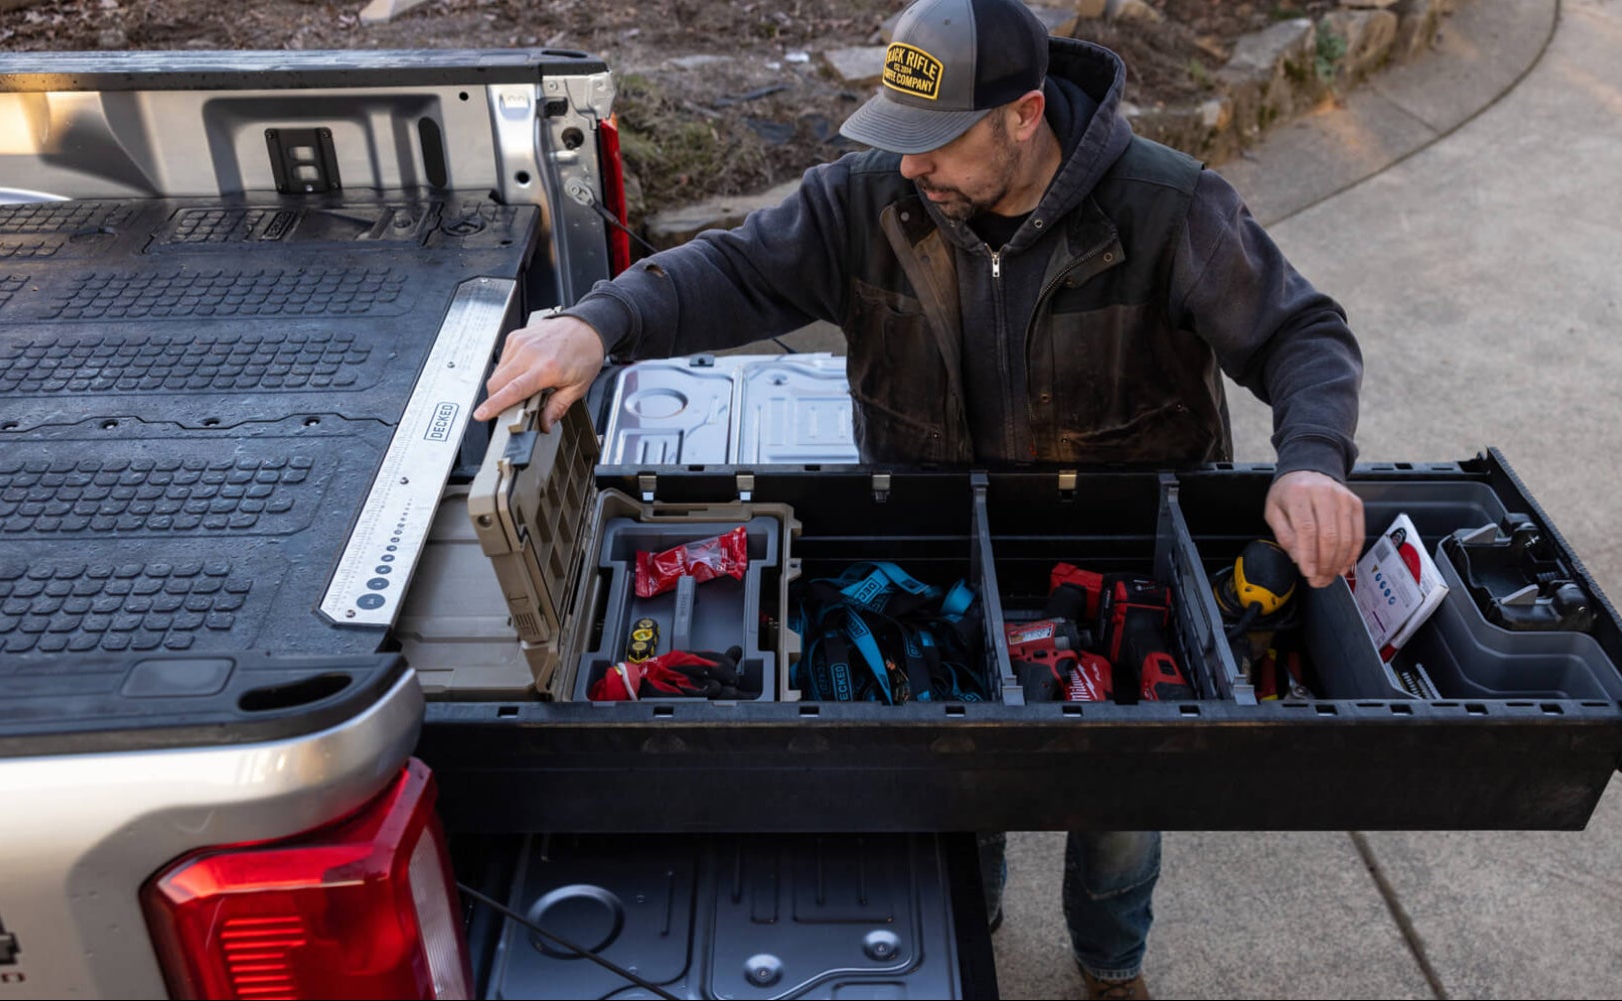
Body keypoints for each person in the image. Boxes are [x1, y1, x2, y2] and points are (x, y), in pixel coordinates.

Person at [473, 0, 1368, 995]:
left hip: (1115, 565)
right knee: (956, 779)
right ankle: (965, 918)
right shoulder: (867, 202)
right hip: (940, 557)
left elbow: (1303, 333)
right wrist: (598, 324)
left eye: (932, 142)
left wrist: (1312, 459)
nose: (908, 166)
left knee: (1117, 807)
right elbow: (728, 268)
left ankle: (1108, 961)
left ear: (1022, 116)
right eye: (895, 139)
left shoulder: (1168, 207)